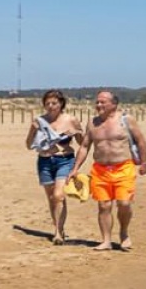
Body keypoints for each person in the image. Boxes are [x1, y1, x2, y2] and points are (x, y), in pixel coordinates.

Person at [84, 89, 146, 251]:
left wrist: (144, 162)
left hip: (123, 168)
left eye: (103, 102)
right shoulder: (92, 123)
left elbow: (141, 141)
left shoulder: (126, 120)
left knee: (124, 203)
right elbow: (85, 146)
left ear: (113, 104)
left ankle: (124, 232)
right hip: (100, 169)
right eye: (97, 102)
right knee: (104, 206)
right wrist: (75, 168)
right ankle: (106, 240)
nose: (99, 105)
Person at [26, 89, 87, 244]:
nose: (51, 106)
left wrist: (76, 132)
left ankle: (58, 233)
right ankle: (58, 227)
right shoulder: (40, 121)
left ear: (61, 104)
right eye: (47, 103)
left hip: (64, 160)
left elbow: (83, 143)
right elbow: (28, 145)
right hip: (44, 161)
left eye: (54, 103)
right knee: (51, 198)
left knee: (59, 195)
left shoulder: (70, 119)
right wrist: (33, 130)